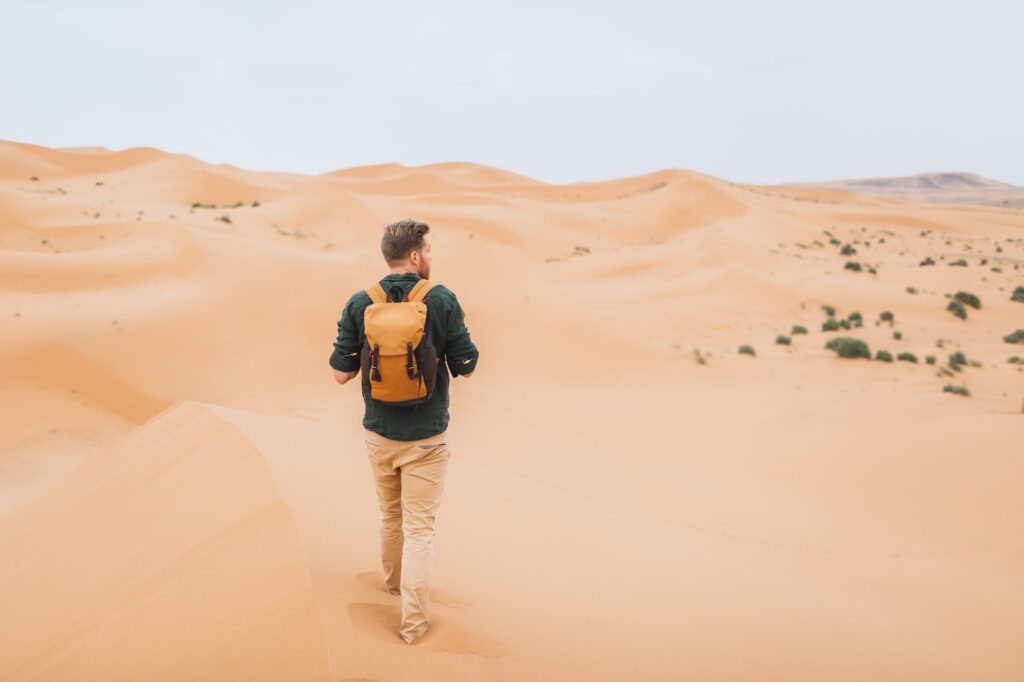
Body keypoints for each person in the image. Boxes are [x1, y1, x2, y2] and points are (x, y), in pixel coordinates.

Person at [328, 218, 479, 644]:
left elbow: (341, 374)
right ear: (414, 255)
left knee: (390, 516)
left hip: (379, 434)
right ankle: (413, 624)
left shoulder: (361, 302)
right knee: (420, 530)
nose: (431, 257)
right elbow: (467, 364)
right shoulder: (442, 299)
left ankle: (392, 585)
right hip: (428, 437)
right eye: (428, 251)